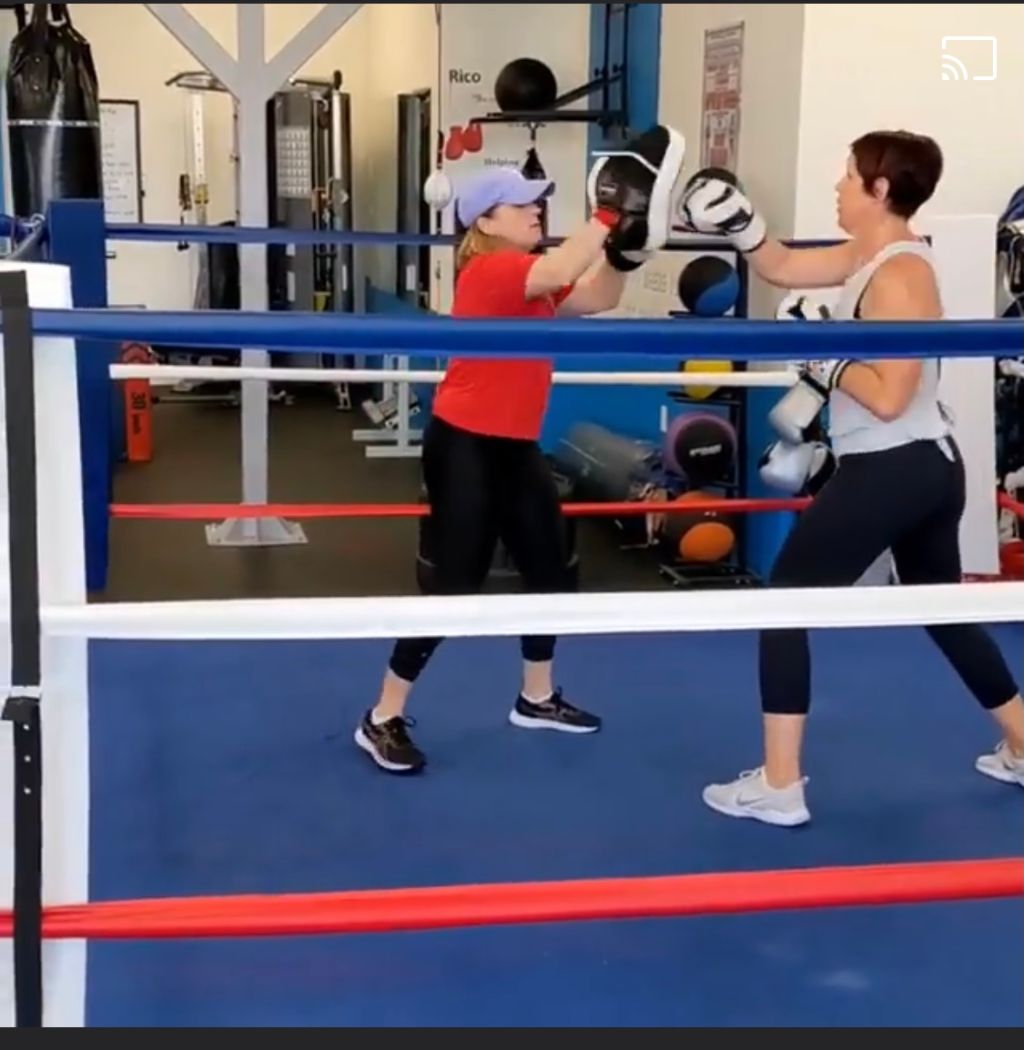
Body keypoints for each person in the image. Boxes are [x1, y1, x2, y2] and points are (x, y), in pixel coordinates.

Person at [678, 130, 1024, 826]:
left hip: (893, 464)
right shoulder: (869, 254)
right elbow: (782, 266)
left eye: (847, 176)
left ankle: (780, 785)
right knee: (942, 610)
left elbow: (891, 394)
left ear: (880, 189)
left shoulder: (900, 274)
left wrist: (827, 357)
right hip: (925, 464)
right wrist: (743, 227)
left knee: (784, 605)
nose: (838, 186)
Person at [355, 125, 688, 774]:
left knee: (550, 568)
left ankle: (536, 697)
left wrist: (624, 255)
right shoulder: (491, 272)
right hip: (465, 444)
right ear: (486, 221)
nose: (538, 210)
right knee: (456, 585)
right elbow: (563, 268)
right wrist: (610, 213)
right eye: (523, 204)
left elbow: (596, 295)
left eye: (538, 202)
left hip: (513, 446)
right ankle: (382, 715)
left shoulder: (528, 279)